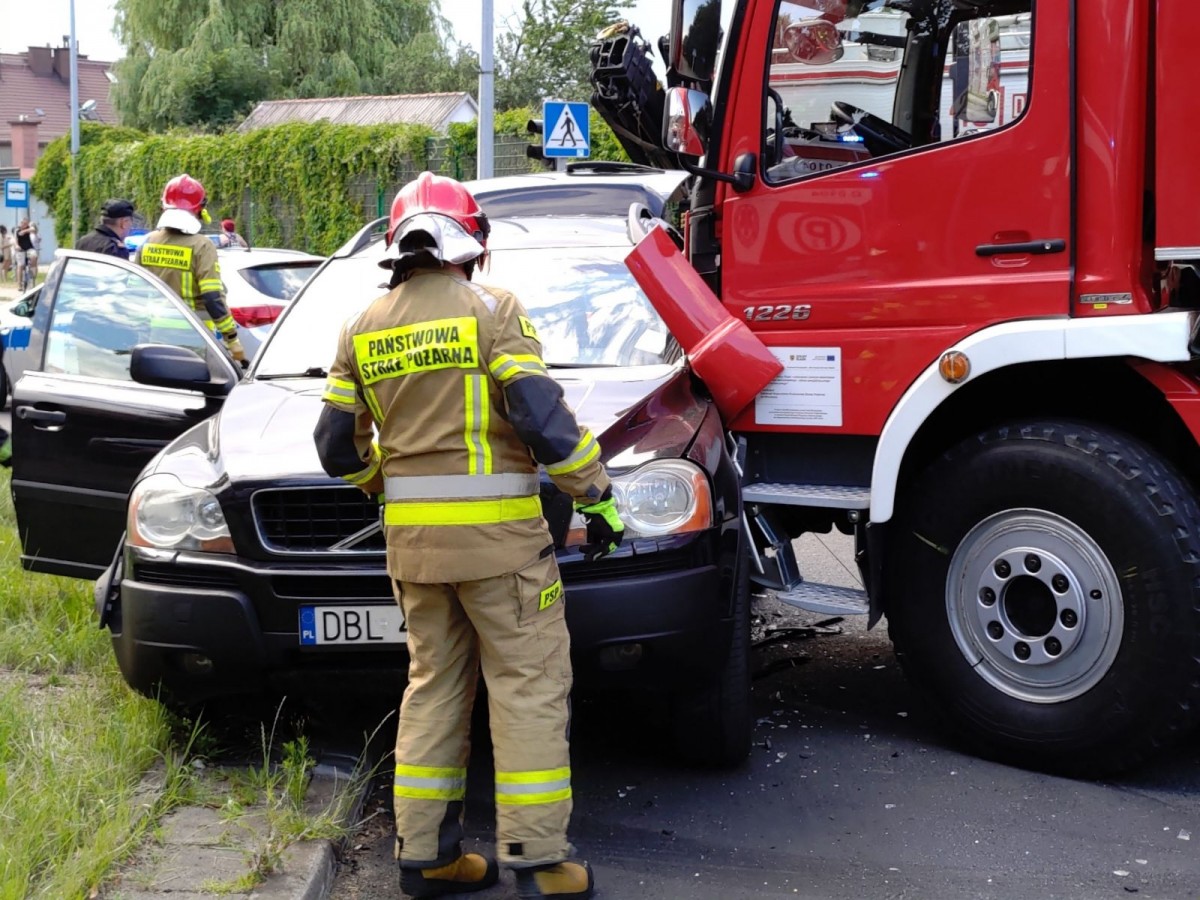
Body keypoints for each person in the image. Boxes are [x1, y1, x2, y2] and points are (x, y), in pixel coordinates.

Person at [313, 172, 625, 900]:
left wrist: (380, 482)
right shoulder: (493, 310)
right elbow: (543, 419)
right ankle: (539, 862)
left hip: (414, 552)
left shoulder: (363, 325)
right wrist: (599, 496)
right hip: (501, 549)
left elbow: (335, 446)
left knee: (432, 689)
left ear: (399, 249)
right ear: (472, 247)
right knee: (528, 687)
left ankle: (425, 858)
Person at [134, 174, 245, 364]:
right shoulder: (202, 246)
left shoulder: (147, 242)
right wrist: (232, 339)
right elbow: (212, 297)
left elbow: (135, 293)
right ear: (200, 209)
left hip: (154, 339)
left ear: (164, 206)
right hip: (194, 340)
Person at [15, 218, 37, 286]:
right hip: (21, 249)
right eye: (23, 223)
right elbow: (15, 240)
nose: (24, 225)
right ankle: (19, 284)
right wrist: (17, 246)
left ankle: (33, 277)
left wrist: (25, 231)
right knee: (20, 265)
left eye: (25, 223)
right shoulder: (17, 230)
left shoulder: (29, 228)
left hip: (29, 248)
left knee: (34, 257)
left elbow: (33, 229)